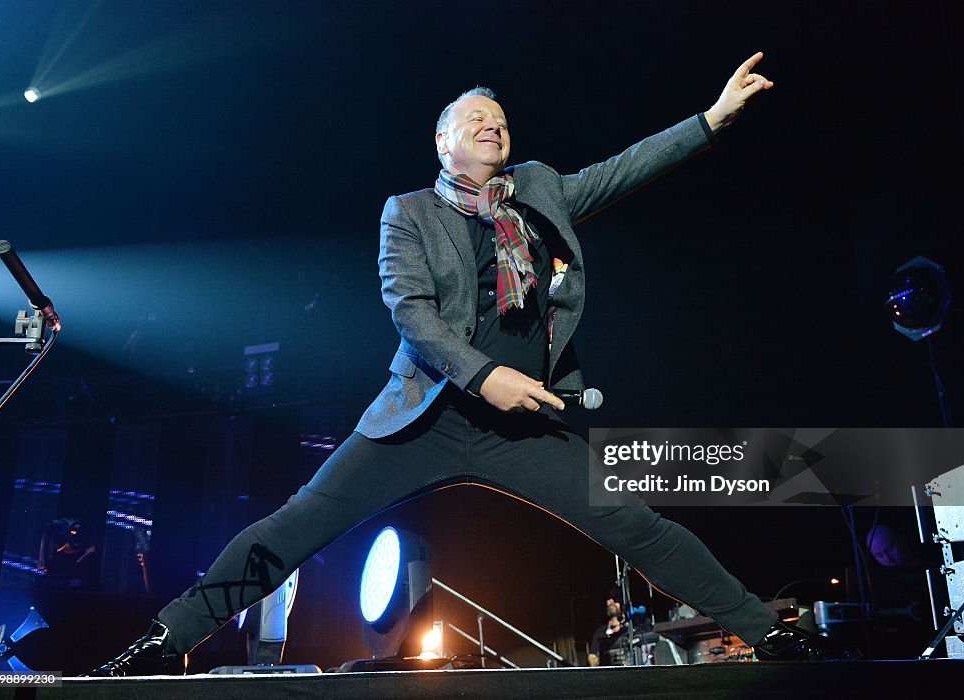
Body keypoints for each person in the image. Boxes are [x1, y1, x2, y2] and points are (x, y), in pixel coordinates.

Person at [89, 52, 828, 676]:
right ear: (444, 142)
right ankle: (165, 640)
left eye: (498, 116)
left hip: (526, 425)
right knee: (296, 525)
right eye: (475, 116)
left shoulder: (539, 191)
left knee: (638, 526)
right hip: (428, 414)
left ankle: (768, 631)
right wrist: (483, 376)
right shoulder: (408, 213)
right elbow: (411, 314)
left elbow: (622, 168)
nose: (492, 122)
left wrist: (712, 118)